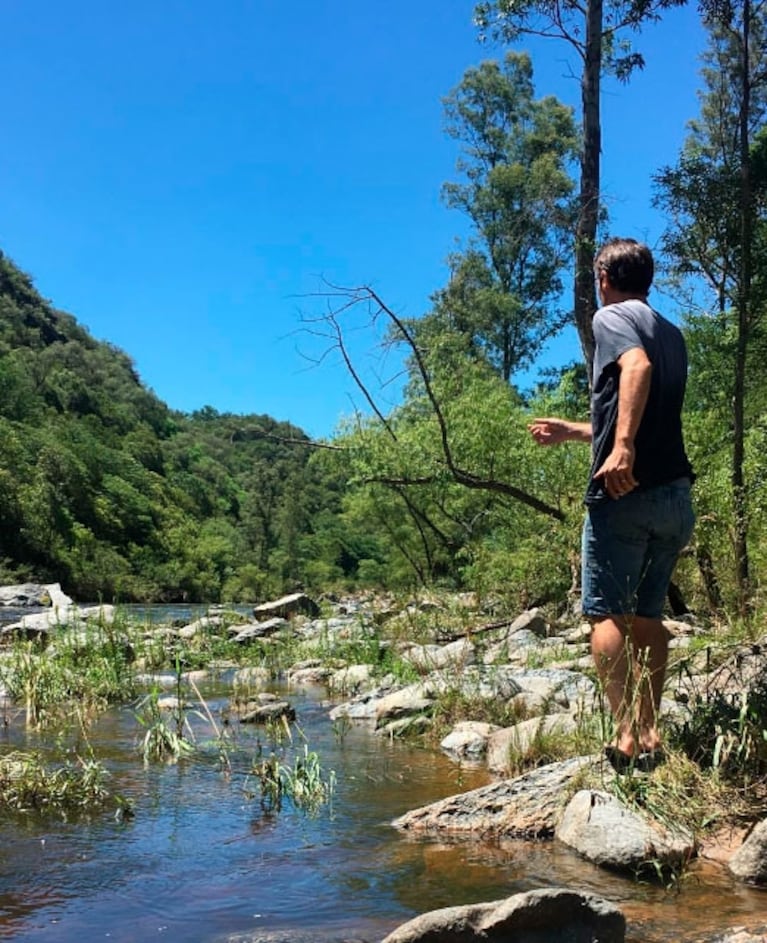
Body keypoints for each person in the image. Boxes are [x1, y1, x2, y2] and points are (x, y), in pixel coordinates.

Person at [528, 238, 695, 765]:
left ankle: (625, 737)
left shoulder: (612, 318)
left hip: (625, 493)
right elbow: (644, 408)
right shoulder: (672, 332)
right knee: (648, 619)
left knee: (606, 616)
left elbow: (636, 370)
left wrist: (620, 449)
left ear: (604, 277)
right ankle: (651, 736)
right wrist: (578, 432)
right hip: (674, 497)